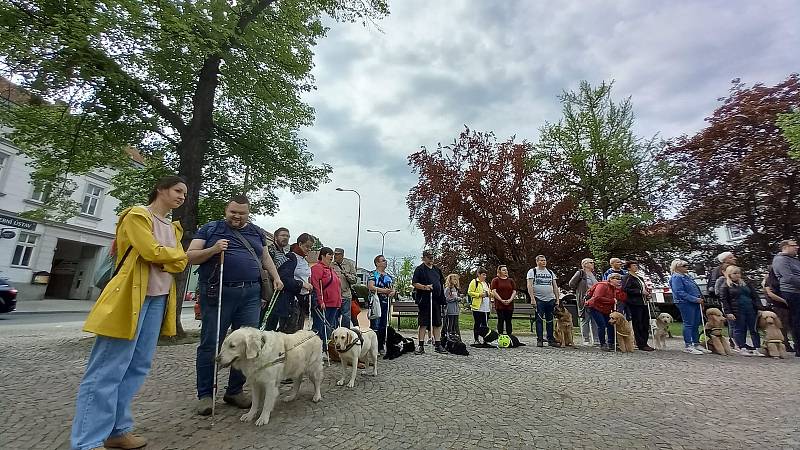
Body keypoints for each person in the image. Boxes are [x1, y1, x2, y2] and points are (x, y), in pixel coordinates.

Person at [71, 176, 189, 450]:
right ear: (161, 189)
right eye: (177, 190)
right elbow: (150, 251)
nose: (182, 196)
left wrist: (170, 258)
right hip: (130, 298)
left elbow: (175, 262)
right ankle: (86, 442)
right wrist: (172, 257)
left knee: (137, 367)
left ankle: (117, 430)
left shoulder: (173, 228)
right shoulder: (138, 215)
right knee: (107, 369)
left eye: (185, 193)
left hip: (157, 299)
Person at [189, 195, 283, 416]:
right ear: (226, 210)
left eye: (242, 213)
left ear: (248, 213)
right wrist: (213, 250)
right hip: (218, 293)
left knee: (250, 343)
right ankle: (205, 395)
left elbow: (265, 257)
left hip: (250, 293)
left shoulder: (257, 232)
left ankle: (235, 390)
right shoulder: (210, 229)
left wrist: (276, 277)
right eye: (233, 212)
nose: (237, 216)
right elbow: (190, 256)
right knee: (211, 343)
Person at [263, 233, 313, 333]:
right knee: (288, 334)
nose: (309, 249)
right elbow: (283, 279)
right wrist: (302, 284)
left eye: (310, 247)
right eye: (307, 246)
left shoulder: (304, 260)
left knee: (297, 332)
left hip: (301, 301)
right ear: (300, 244)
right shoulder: (290, 258)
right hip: (290, 302)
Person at [718, 266, 764, 356]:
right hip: (737, 310)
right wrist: (728, 312)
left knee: (753, 329)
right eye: (734, 273)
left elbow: (755, 296)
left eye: (738, 273)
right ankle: (742, 347)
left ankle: (756, 347)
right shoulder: (725, 286)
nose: (737, 275)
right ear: (729, 274)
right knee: (739, 329)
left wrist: (759, 307)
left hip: (750, 308)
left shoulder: (746, 283)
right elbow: (724, 300)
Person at [669, 259, 709, 355]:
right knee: (689, 323)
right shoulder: (676, 277)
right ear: (677, 267)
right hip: (685, 302)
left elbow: (695, 288)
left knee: (696, 323)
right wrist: (694, 299)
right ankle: (688, 344)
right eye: (684, 266)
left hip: (695, 302)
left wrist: (699, 299)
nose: (687, 267)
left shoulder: (687, 276)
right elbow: (679, 292)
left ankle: (696, 343)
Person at [411, 249, 447, 354]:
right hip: (425, 300)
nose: (431, 259)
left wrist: (442, 296)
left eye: (432, 257)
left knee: (437, 323)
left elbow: (441, 282)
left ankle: (438, 344)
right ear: (424, 258)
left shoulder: (437, 269)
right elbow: (414, 283)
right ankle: (421, 345)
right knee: (423, 323)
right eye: (429, 257)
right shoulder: (419, 269)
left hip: (436, 299)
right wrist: (424, 287)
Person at [772, 239, 800, 357]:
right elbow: (788, 277)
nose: (797, 247)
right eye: (794, 245)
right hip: (792, 292)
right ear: (785, 247)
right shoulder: (780, 260)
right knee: (797, 320)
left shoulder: (794, 259)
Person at [311, 247, 342, 351]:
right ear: (323, 255)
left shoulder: (331, 269)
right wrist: (320, 300)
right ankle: (316, 349)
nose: (332, 257)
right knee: (319, 327)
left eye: (332, 255)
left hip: (333, 303)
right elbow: (316, 286)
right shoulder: (317, 268)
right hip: (324, 303)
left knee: (328, 328)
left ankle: (325, 348)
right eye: (329, 254)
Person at [584, 273, 625, 351]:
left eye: (620, 279)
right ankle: (602, 344)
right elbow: (597, 297)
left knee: (610, 324)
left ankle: (611, 343)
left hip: (605, 309)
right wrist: (611, 301)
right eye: (617, 279)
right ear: (611, 279)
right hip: (595, 307)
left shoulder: (614, 288)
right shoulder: (602, 285)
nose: (619, 281)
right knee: (601, 324)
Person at [527, 255, 560, 347]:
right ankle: (540, 339)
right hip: (539, 299)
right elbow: (529, 285)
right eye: (541, 260)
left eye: (544, 260)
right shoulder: (532, 271)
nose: (543, 262)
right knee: (539, 320)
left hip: (550, 299)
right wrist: (532, 298)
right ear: (537, 262)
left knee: (550, 320)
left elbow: (555, 286)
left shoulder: (550, 272)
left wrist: (557, 299)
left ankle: (550, 339)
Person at [621, 261, 655, 351]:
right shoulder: (627, 277)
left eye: (636, 265)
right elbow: (625, 289)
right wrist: (639, 292)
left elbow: (643, 289)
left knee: (645, 323)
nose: (636, 267)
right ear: (629, 268)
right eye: (634, 265)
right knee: (638, 323)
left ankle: (644, 342)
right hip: (634, 303)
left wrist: (647, 294)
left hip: (643, 302)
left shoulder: (639, 277)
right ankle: (641, 343)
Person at [763, 264, 794, 353]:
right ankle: (785, 344)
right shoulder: (769, 280)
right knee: (782, 325)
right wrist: (784, 301)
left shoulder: (782, 279)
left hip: (788, 305)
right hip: (778, 305)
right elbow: (770, 294)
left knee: (791, 325)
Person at [569, 258, 599, 346]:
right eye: (591, 262)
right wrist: (580, 292)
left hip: (594, 299)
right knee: (585, 319)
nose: (593, 264)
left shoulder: (594, 274)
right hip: (585, 299)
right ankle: (586, 339)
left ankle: (596, 339)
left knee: (595, 319)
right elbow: (571, 283)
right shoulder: (580, 273)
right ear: (585, 264)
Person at [368, 254, 395, 353]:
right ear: (377, 263)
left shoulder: (389, 276)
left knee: (384, 324)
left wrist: (392, 292)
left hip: (385, 303)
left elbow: (392, 288)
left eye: (385, 260)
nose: (385, 262)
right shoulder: (373, 274)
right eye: (383, 260)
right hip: (376, 303)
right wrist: (383, 291)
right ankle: (372, 347)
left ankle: (381, 346)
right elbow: (371, 286)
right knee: (375, 324)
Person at [333, 247, 358, 328]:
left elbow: (354, 280)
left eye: (337, 254)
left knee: (346, 317)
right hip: (334, 296)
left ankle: (345, 333)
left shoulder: (349, 264)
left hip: (346, 295)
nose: (335, 256)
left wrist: (346, 274)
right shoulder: (331, 265)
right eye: (335, 254)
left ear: (342, 255)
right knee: (334, 317)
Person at [468, 268, 492, 343]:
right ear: (479, 274)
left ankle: (485, 339)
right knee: (477, 323)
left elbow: (490, 293)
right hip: (477, 307)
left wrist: (490, 294)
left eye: (485, 275)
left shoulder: (487, 283)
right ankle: (476, 339)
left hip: (486, 307)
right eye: (483, 274)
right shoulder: (474, 282)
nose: (485, 276)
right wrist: (479, 295)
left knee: (485, 324)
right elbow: (470, 292)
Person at [491, 265, 517, 336]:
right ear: (499, 271)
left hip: (509, 304)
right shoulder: (495, 280)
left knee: (508, 320)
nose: (506, 271)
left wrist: (510, 299)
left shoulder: (510, 280)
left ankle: (510, 335)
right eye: (504, 270)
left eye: (506, 270)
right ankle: (500, 335)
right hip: (500, 304)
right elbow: (494, 291)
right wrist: (501, 300)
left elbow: (514, 291)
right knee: (501, 319)